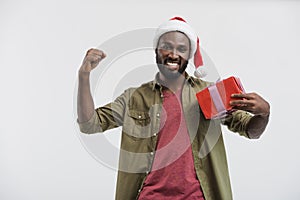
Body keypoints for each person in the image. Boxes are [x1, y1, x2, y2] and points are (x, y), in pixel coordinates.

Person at [77, 17, 270, 200]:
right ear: (156, 50)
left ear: (189, 54)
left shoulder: (210, 93)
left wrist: (263, 113)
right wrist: (84, 77)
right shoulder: (133, 98)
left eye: (181, 49)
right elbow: (90, 124)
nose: (173, 54)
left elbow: (250, 130)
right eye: (166, 47)